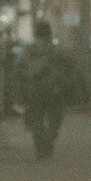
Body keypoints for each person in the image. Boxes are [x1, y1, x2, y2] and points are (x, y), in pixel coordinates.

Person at [20, 20, 71, 160]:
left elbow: (21, 68)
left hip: (34, 88)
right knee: (55, 119)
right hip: (53, 89)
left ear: (36, 33)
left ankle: (40, 149)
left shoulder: (29, 50)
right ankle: (48, 142)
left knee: (37, 119)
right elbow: (66, 67)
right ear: (49, 33)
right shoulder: (55, 50)